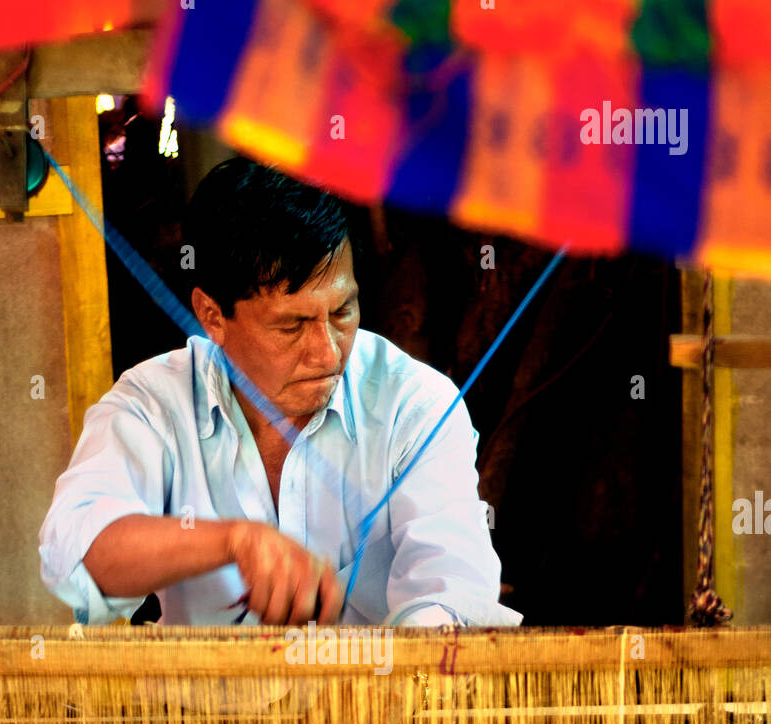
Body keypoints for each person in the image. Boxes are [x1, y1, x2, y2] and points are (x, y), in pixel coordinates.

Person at [39, 157, 522, 629]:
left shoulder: (414, 407)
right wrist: (234, 542)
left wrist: (401, 671)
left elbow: (452, 589)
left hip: (377, 703)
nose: (328, 353)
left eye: (343, 312)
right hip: (206, 709)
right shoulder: (154, 405)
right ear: (212, 316)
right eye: (293, 325)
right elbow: (75, 553)